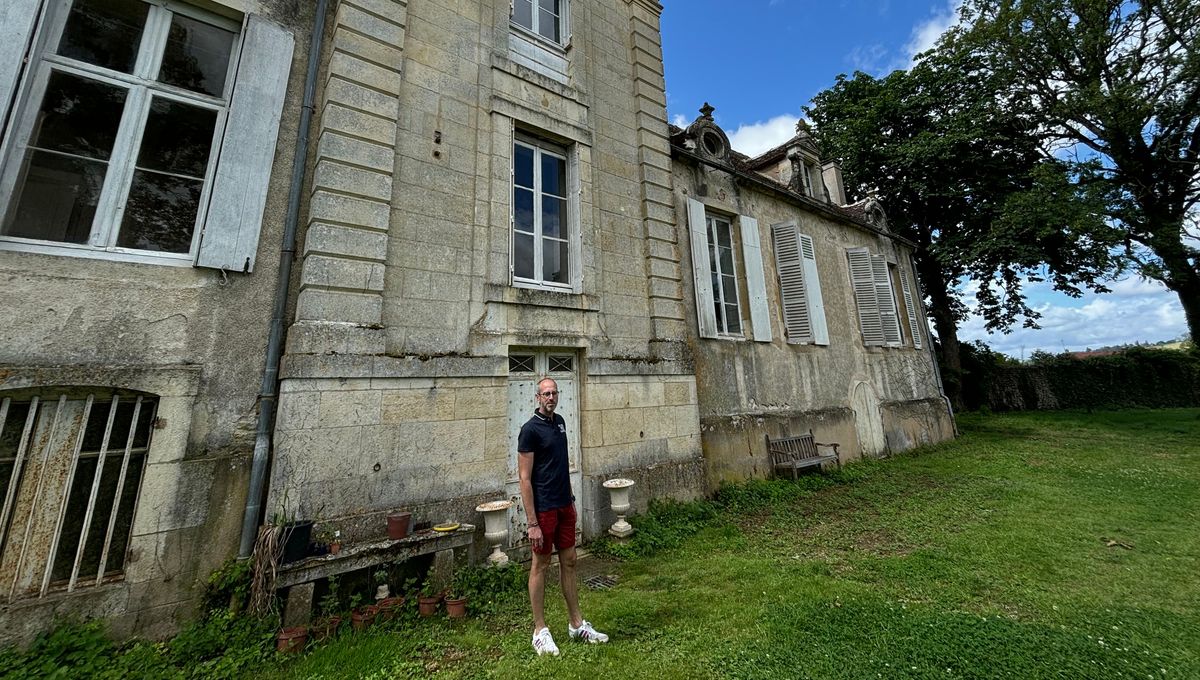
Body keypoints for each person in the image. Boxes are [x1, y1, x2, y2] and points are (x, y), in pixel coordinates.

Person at [517, 377, 609, 656]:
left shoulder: (560, 423)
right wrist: (532, 523)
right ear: (537, 397)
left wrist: (570, 501)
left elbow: (561, 467)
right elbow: (524, 478)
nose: (550, 397)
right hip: (543, 509)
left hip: (563, 506)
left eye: (554, 393)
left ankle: (576, 624)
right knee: (540, 565)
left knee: (569, 562)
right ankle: (539, 631)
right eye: (546, 393)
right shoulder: (529, 430)